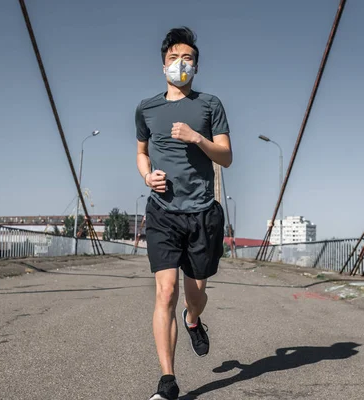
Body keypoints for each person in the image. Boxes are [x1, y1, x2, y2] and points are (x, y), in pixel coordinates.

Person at [135, 26, 233, 400]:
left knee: (195, 297)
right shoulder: (146, 108)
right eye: (174, 58)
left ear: (196, 66)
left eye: (187, 58)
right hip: (162, 212)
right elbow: (142, 151)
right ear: (163, 66)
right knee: (166, 292)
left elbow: (226, 156)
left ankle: (193, 320)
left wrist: (197, 138)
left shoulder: (210, 105)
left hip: (202, 213)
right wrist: (147, 176)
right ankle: (167, 381)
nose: (180, 64)